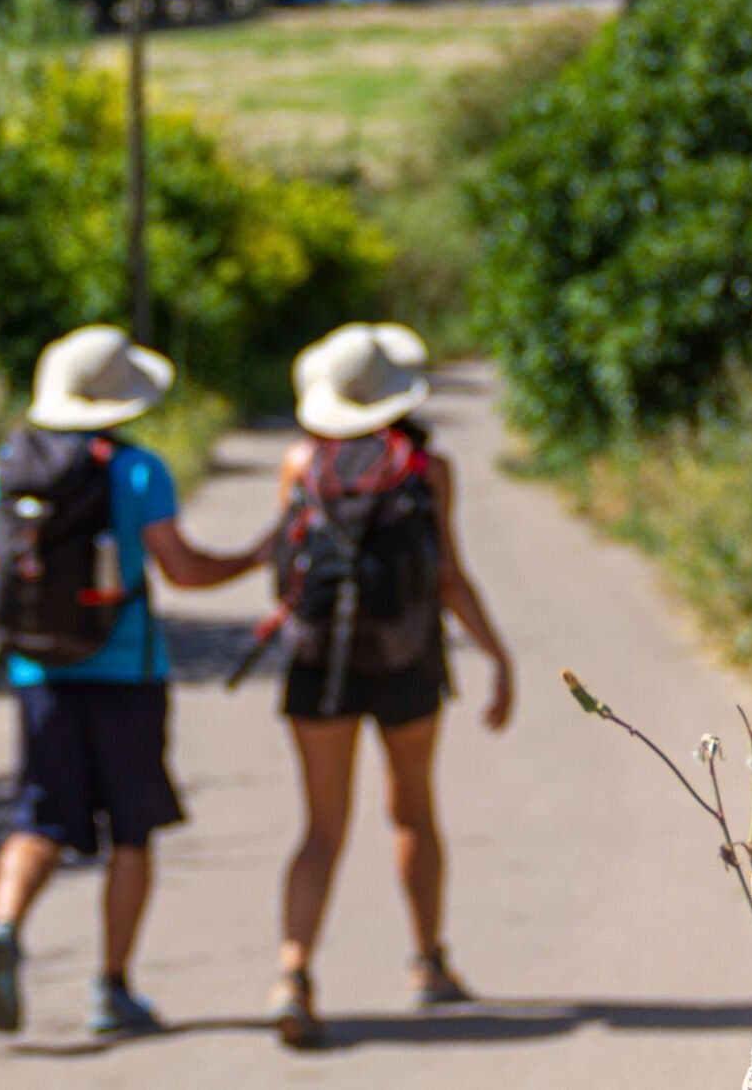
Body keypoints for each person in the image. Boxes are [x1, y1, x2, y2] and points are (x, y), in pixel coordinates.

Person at [0, 325, 260, 1039]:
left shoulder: (9, 468)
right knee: (131, 831)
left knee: (40, 819)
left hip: (40, 672)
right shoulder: (139, 470)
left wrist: (24, 613)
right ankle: (112, 986)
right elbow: (182, 567)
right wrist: (253, 557)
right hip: (128, 675)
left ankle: (3, 923)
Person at [262, 323, 515, 1048]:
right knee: (412, 812)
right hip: (407, 661)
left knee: (320, 827)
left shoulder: (299, 463)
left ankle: (292, 973)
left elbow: (284, 574)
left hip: (318, 666)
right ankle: (428, 963)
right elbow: (448, 577)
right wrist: (497, 655)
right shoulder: (426, 468)